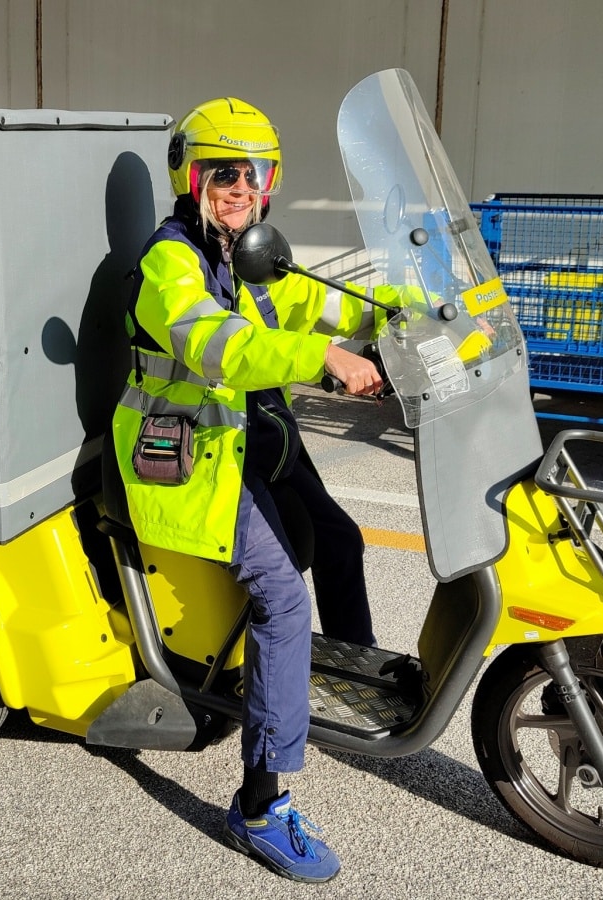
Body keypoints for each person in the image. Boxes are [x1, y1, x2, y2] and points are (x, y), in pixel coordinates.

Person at [111, 97, 393, 884]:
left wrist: (394, 314)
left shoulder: (250, 251)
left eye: (253, 174)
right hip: (190, 456)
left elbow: (313, 301)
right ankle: (260, 804)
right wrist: (322, 358)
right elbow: (217, 345)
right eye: (223, 173)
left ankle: (347, 687)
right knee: (283, 599)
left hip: (253, 440)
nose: (240, 188)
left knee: (341, 540)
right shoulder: (170, 262)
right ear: (192, 178)